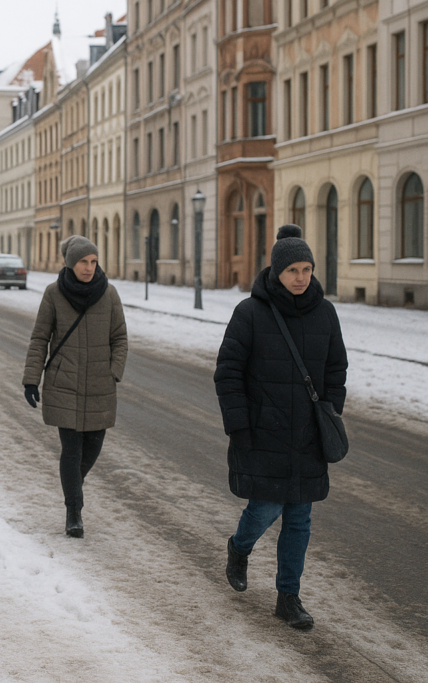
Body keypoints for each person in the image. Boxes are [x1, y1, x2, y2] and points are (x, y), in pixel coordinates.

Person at [214, 224, 347, 630]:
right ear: (277, 271)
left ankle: (288, 597)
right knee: (266, 508)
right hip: (262, 431)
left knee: (300, 519)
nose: (301, 277)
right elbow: (228, 373)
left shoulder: (325, 313)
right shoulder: (250, 313)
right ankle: (239, 548)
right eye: (293, 270)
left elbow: (336, 368)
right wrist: (239, 425)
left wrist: (329, 411)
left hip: (307, 437)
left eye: (307, 269)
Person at [22, 235, 128, 537]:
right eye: (83, 261)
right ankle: (74, 511)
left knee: (92, 447)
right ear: (71, 263)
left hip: (99, 384)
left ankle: (72, 490)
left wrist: (113, 372)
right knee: (71, 449)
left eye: (93, 261)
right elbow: (40, 337)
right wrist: (32, 377)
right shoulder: (54, 294)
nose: (89, 267)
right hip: (64, 382)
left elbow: (120, 337)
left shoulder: (109, 294)